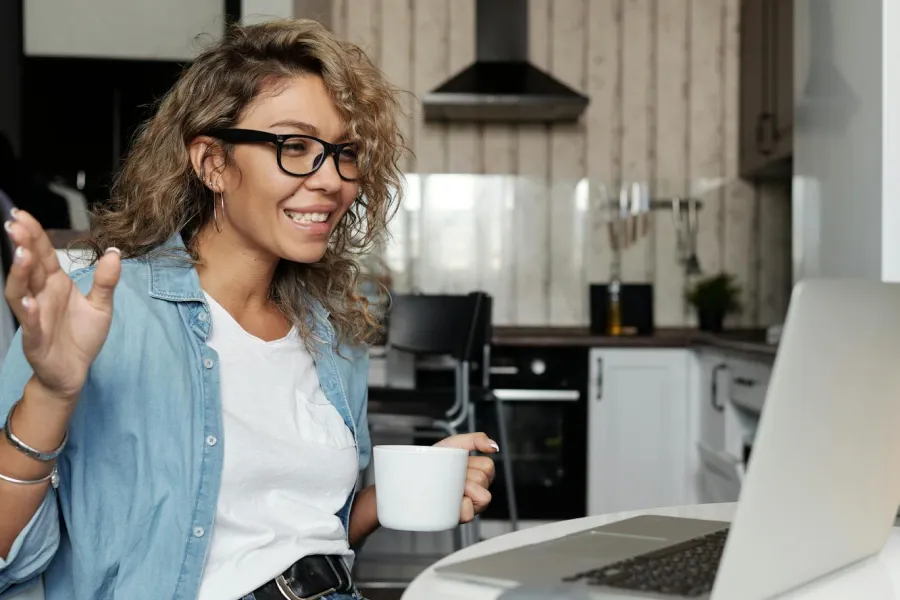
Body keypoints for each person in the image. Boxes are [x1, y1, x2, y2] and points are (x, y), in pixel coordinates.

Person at [0, 19, 497, 600]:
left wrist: (385, 499)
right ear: (212, 162)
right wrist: (52, 394)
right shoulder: (98, 310)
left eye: (344, 153)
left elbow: (301, 535)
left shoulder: (332, 331)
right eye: (296, 146)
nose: (331, 180)